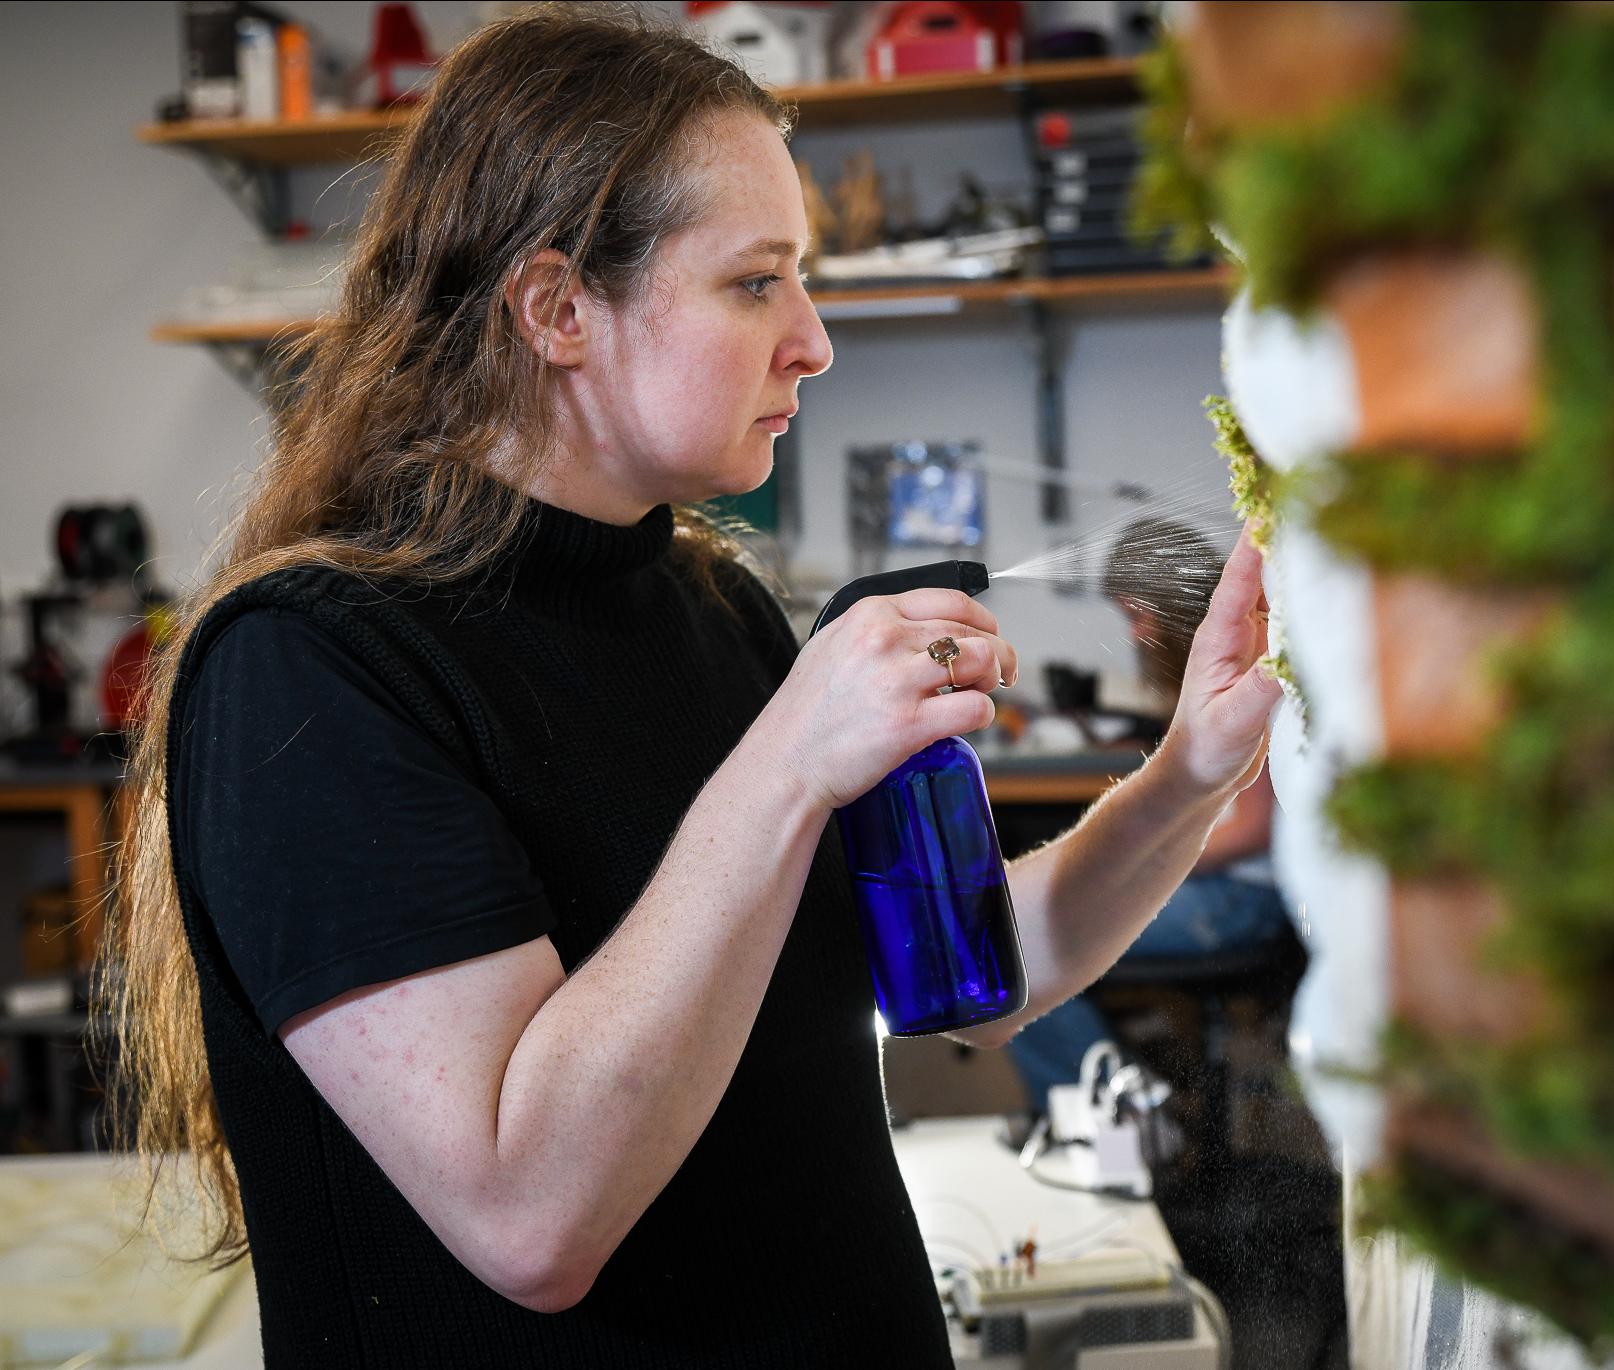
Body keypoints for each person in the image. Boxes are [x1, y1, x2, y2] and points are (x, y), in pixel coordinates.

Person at [101, 12, 1281, 1367]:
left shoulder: (712, 608)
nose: (813, 340)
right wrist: (792, 760)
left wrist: (1191, 771)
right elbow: (530, 1214)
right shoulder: (311, 667)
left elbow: (959, 973)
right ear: (557, 309)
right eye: (755, 282)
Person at [1006, 518, 1300, 1111]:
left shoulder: (1246, 662)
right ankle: (1124, 1119)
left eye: (1139, 615)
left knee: (1013, 963)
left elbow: (1252, 829)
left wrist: (1146, 861)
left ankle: (1127, 1126)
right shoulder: (1211, 665)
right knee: (1015, 946)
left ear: (1170, 600)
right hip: (1220, 887)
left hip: (1240, 900)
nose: (1136, 633)